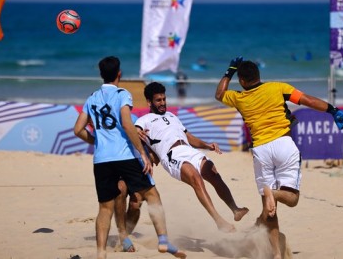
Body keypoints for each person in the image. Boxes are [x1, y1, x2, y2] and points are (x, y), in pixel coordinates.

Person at [215, 57, 343, 259]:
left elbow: (219, 94)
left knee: (269, 210)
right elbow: (309, 100)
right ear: (259, 76)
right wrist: (333, 110)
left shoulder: (238, 97)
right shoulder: (278, 87)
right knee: (292, 198)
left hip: (261, 150)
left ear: (242, 81)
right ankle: (276, 195)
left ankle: (277, 254)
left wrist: (230, 71)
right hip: (284, 145)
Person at [73, 56, 186, 259]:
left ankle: (101, 253)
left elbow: (77, 129)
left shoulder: (92, 98)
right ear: (119, 74)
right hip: (123, 155)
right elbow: (126, 124)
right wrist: (142, 154)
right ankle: (163, 241)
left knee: (104, 208)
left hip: (101, 160)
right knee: (152, 195)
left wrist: (95, 141)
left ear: (101, 74)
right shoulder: (122, 94)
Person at [134, 81, 249, 233]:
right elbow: (134, 131)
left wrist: (207, 145)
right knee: (196, 179)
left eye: (164, 99)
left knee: (213, 173)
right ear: (149, 102)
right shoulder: (144, 120)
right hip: (171, 155)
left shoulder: (172, 116)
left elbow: (188, 136)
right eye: (158, 100)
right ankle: (219, 221)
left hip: (188, 149)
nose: (162, 103)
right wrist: (136, 133)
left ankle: (235, 209)